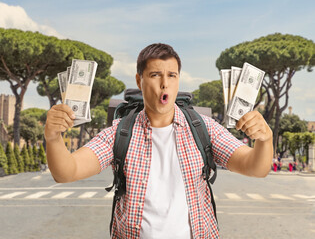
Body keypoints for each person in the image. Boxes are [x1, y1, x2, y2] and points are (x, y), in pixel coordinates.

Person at [44, 43, 273, 239]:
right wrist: (53, 138)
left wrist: (265, 139)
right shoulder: (119, 133)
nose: (165, 84)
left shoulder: (204, 128)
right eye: (155, 75)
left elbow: (255, 167)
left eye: (171, 75)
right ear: (139, 80)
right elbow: (66, 172)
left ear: (178, 80)